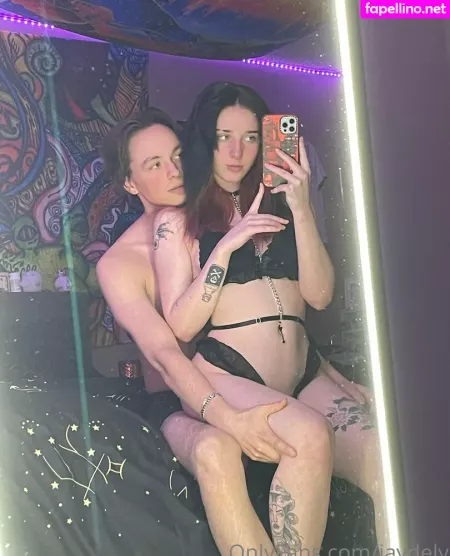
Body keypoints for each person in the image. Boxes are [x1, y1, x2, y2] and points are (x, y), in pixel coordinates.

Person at [151, 82, 387, 551]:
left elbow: (320, 296)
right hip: (228, 372)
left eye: (250, 137)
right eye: (224, 137)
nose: (237, 152)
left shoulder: (284, 205)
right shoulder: (178, 220)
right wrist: (225, 248)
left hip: (302, 372)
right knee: (309, 436)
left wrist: (302, 207)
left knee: (384, 455)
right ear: (205, 141)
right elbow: (181, 326)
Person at [96, 107, 334, 556]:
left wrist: (327, 373)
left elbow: (277, 312)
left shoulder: (219, 219)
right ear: (129, 182)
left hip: (238, 380)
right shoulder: (119, 264)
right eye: (154, 164)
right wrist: (228, 418)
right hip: (177, 399)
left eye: (178, 155)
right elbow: (166, 354)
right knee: (216, 450)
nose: (174, 171)